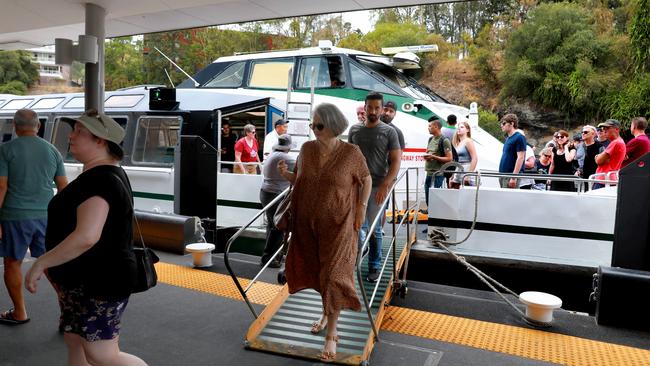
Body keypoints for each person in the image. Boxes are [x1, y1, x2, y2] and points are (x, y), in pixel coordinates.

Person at [24, 109, 147, 365]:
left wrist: (41, 262)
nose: (71, 137)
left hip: (101, 279)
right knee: (75, 341)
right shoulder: (102, 175)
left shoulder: (101, 180)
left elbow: (87, 236)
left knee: (102, 354)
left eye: (80, 132)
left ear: (101, 141)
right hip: (84, 279)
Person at [278, 103, 372, 362]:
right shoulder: (307, 149)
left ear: (333, 125)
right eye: (312, 125)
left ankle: (332, 333)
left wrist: (362, 209)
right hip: (307, 226)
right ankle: (325, 312)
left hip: (341, 224)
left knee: (334, 274)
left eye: (318, 125)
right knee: (319, 273)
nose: (314, 129)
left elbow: (366, 179)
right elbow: (301, 178)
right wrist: (287, 175)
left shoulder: (351, 153)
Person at [0, 109, 67, 325]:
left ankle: (20, 312)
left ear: (15, 127)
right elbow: (64, 187)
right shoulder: (52, 151)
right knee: (50, 262)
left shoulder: (5, 150)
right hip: (46, 216)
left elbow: (2, 186)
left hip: (14, 215)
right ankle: (68, 315)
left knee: (12, 263)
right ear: (38, 126)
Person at [348, 92, 401, 283]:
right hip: (357, 187)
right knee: (356, 227)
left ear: (381, 109)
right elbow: (349, 158)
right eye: (370, 107)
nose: (373, 111)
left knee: (374, 229)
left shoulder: (389, 132)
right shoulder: (354, 130)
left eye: (377, 108)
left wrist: (386, 185)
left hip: (377, 186)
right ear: (365, 107)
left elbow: (396, 161)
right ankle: (355, 260)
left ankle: (374, 266)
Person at [259, 134, 294, 268]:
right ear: (288, 147)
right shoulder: (285, 157)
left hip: (265, 192)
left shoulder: (272, 155)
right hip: (275, 194)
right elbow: (302, 168)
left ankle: (271, 256)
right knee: (278, 226)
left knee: (272, 225)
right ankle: (269, 257)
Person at [594, 119, 626, 189]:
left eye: (607, 128)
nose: (604, 130)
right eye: (603, 128)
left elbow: (598, 160)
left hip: (604, 180)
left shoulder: (616, 143)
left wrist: (597, 156)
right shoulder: (619, 141)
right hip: (609, 179)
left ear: (617, 129)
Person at [498, 113, 526, 188]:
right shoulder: (508, 138)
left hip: (510, 176)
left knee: (510, 199)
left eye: (504, 123)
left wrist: (514, 177)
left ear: (512, 124)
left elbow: (520, 158)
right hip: (503, 175)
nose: (501, 125)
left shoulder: (519, 137)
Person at [449, 121, 478, 188]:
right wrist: (452, 175)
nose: (459, 129)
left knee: (466, 194)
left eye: (462, 127)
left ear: (467, 130)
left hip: (466, 170)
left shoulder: (468, 141)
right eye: (458, 127)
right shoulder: (458, 143)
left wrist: (468, 175)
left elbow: (475, 158)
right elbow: (456, 161)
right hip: (458, 171)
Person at [579, 125, 603, 190]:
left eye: (586, 132)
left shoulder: (599, 146)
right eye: (582, 132)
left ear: (593, 134)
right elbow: (576, 160)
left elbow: (603, 162)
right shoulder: (580, 146)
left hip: (594, 177)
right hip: (580, 178)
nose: (583, 133)